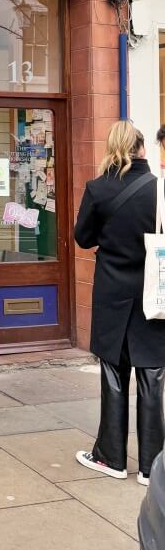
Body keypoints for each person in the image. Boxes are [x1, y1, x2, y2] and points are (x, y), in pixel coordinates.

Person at [74, 119, 165, 487]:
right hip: (153, 293)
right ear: (142, 149)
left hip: (112, 291)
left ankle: (111, 457)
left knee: (113, 372)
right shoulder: (159, 189)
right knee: (151, 375)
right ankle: (151, 467)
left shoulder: (98, 188)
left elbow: (82, 237)